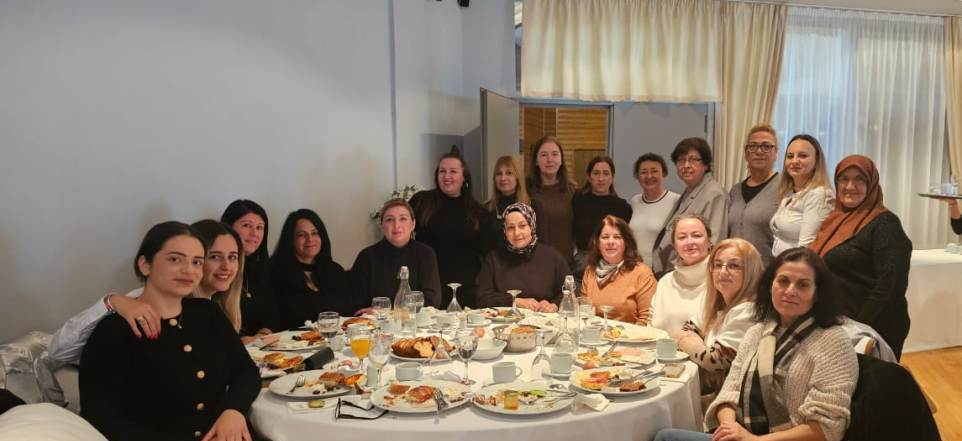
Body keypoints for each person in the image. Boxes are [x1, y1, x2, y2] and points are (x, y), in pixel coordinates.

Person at [80, 221, 260, 441]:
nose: (188, 270)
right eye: (175, 259)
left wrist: (233, 411)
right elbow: (101, 418)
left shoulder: (208, 313)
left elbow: (246, 372)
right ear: (145, 265)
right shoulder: (114, 331)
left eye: (197, 262)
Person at [654, 247, 858, 441]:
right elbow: (728, 393)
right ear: (770, 286)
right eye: (783, 281)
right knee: (665, 436)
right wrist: (730, 429)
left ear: (818, 293)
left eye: (803, 284)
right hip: (742, 434)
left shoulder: (833, 341)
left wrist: (753, 439)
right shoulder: (757, 332)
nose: (790, 291)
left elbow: (826, 428)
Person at [48, 220, 249, 364]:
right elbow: (59, 352)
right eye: (215, 257)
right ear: (145, 264)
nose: (226, 266)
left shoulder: (210, 308)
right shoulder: (140, 305)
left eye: (233, 257)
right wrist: (111, 302)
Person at [811, 155, 912, 359]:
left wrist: (857, 327)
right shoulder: (834, 219)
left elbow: (889, 286)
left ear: (871, 184)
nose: (850, 186)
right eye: (844, 179)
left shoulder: (885, 223)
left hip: (872, 329)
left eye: (859, 179)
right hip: (838, 325)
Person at [674, 238, 763, 399]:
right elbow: (686, 329)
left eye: (733, 266)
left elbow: (713, 361)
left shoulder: (748, 310)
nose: (722, 272)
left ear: (751, 271)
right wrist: (698, 349)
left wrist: (683, 340)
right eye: (717, 264)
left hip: (731, 403)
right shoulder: (718, 304)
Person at [409, 146, 493, 308]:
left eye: (453, 171)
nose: (446, 176)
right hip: (426, 286)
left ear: (464, 177)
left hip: (465, 290)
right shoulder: (421, 201)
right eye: (442, 171)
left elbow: (489, 253)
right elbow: (402, 230)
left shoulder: (478, 212)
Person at [652, 137, 728, 276]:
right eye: (681, 160)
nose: (686, 165)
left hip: (693, 273)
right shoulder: (690, 190)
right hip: (677, 271)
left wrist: (683, 270)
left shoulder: (714, 194)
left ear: (706, 165)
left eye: (693, 160)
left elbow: (714, 242)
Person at [351, 198, 442, 312]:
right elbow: (357, 303)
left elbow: (432, 300)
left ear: (413, 224)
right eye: (389, 220)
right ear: (382, 225)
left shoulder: (426, 254)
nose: (396, 225)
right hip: (376, 321)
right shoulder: (366, 257)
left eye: (403, 219)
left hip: (416, 321)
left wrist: (389, 312)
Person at [476, 203, 569, 312]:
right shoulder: (493, 259)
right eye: (511, 228)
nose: (517, 233)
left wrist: (554, 305)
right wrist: (514, 301)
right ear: (504, 231)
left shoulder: (552, 257)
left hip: (545, 319)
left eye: (522, 226)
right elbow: (482, 299)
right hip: (505, 321)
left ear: (532, 226)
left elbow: (569, 292)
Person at [271, 209, 352, 326]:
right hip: (291, 337)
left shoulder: (334, 270)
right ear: (290, 239)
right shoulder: (274, 272)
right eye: (301, 235)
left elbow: (349, 311)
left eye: (314, 233)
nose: (310, 239)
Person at [221, 199, 282, 340]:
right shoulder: (219, 270)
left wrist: (261, 336)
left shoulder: (262, 269)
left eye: (260, 227)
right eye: (247, 225)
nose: (255, 233)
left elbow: (273, 314)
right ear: (228, 227)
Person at [581, 215, 657, 325]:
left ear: (626, 242)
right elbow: (584, 312)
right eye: (605, 237)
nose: (610, 242)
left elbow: (647, 319)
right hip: (594, 334)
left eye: (617, 237)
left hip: (630, 335)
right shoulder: (590, 271)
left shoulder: (642, 272)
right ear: (597, 243)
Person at [571, 156, 632, 287]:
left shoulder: (623, 207)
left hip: (612, 265)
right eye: (596, 173)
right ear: (589, 177)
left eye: (605, 173)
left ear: (612, 177)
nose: (601, 178)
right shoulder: (577, 201)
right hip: (581, 265)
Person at [770, 134, 834, 256]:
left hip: (797, 265)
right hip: (780, 263)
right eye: (790, 156)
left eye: (802, 156)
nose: (794, 161)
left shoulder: (819, 194)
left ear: (816, 161)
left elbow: (806, 248)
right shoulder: (789, 192)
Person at [728, 125, 781, 266]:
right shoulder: (735, 191)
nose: (759, 151)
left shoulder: (785, 188)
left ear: (776, 153)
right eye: (753, 146)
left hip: (768, 271)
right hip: (735, 269)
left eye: (766, 146)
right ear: (746, 154)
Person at [650, 215, 712, 335]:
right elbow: (650, 325)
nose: (689, 242)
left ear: (709, 241)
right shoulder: (666, 282)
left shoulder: (721, 280)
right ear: (675, 246)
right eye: (682, 237)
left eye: (696, 235)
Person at [527, 136, 577, 265]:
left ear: (561, 160)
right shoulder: (526, 190)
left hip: (565, 263)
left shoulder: (573, 191)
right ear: (536, 161)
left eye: (555, 154)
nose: (550, 159)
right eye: (544, 155)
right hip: (534, 263)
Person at [629, 153, 680, 265]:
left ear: (663, 173)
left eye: (654, 171)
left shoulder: (676, 201)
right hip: (636, 267)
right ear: (637, 176)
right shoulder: (634, 201)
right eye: (643, 172)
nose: (649, 176)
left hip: (662, 268)